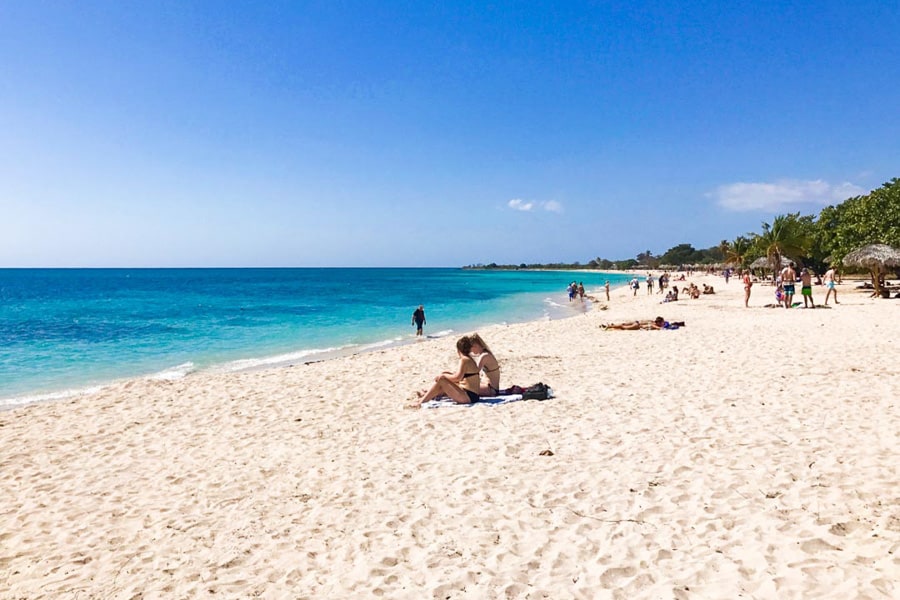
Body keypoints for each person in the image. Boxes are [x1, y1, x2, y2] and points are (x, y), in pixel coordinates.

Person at [415, 336, 481, 406]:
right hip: (472, 395)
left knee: (442, 379)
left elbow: (458, 378)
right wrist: (446, 374)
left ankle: (421, 402)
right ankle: (427, 395)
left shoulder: (464, 360)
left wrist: (444, 376)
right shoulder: (469, 359)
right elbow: (461, 376)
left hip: (468, 396)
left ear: (458, 350)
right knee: (444, 378)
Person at [601, 316, 684, 330]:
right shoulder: (654, 324)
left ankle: (611, 326)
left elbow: (662, 326)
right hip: (637, 325)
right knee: (623, 327)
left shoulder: (652, 322)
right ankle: (610, 327)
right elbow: (660, 328)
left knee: (623, 325)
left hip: (637, 323)